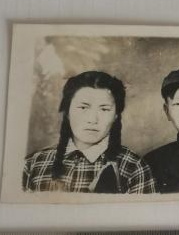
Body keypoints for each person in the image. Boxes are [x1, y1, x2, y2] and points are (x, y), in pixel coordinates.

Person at [23, 71, 156, 194]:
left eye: (104, 109)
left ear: (116, 115)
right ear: (67, 112)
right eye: (83, 107)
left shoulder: (134, 167)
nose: (92, 120)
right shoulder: (32, 164)